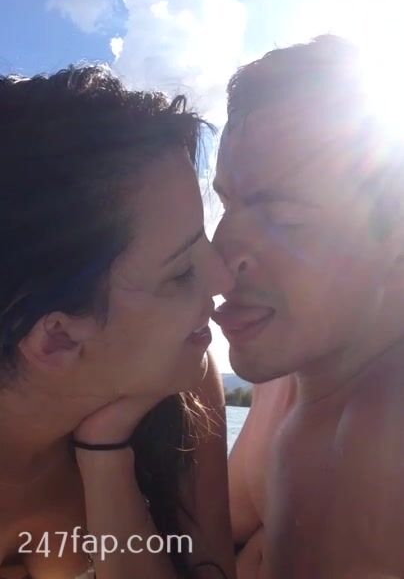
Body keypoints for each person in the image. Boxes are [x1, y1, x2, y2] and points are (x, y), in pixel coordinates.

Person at [0, 65, 236, 579]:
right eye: (180, 272)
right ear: (57, 337)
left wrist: (106, 452)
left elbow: (212, 568)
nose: (223, 278)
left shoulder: (185, 388)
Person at [212, 35, 404, 578]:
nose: (217, 260)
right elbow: (222, 532)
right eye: (224, 204)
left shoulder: (387, 437)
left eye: (283, 218)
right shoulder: (288, 381)